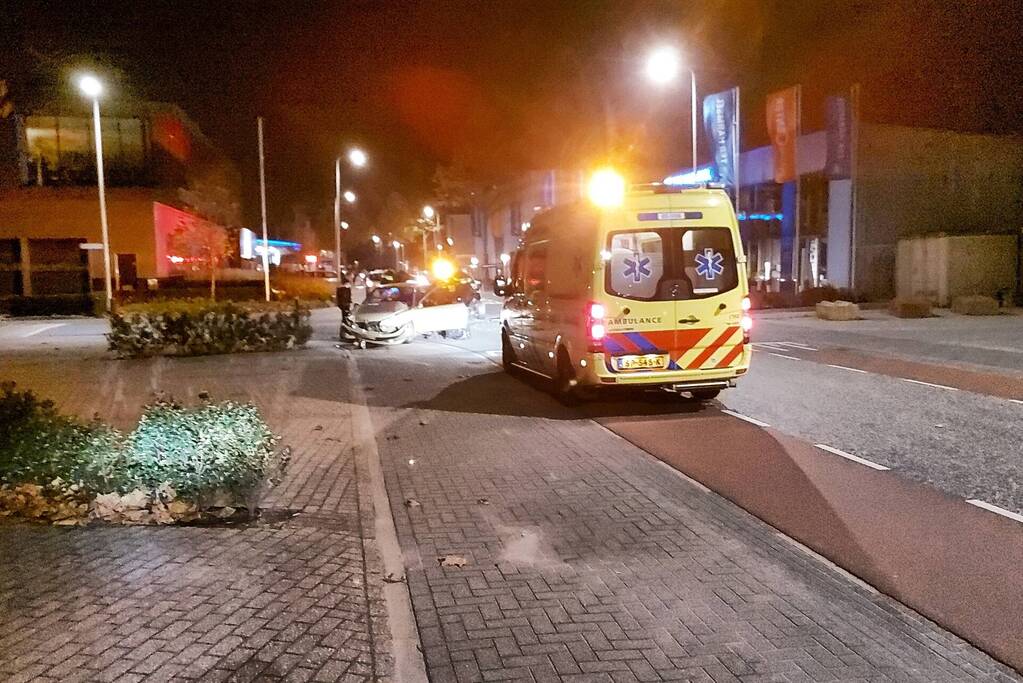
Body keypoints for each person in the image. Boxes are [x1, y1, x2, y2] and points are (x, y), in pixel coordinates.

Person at [336, 272, 353, 340]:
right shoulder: (344, 289)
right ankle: (345, 332)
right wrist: (346, 303)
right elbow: (345, 297)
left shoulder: (342, 289)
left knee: (344, 318)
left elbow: (346, 297)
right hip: (344, 305)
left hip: (344, 305)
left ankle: (344, 332)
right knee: (345, 319)